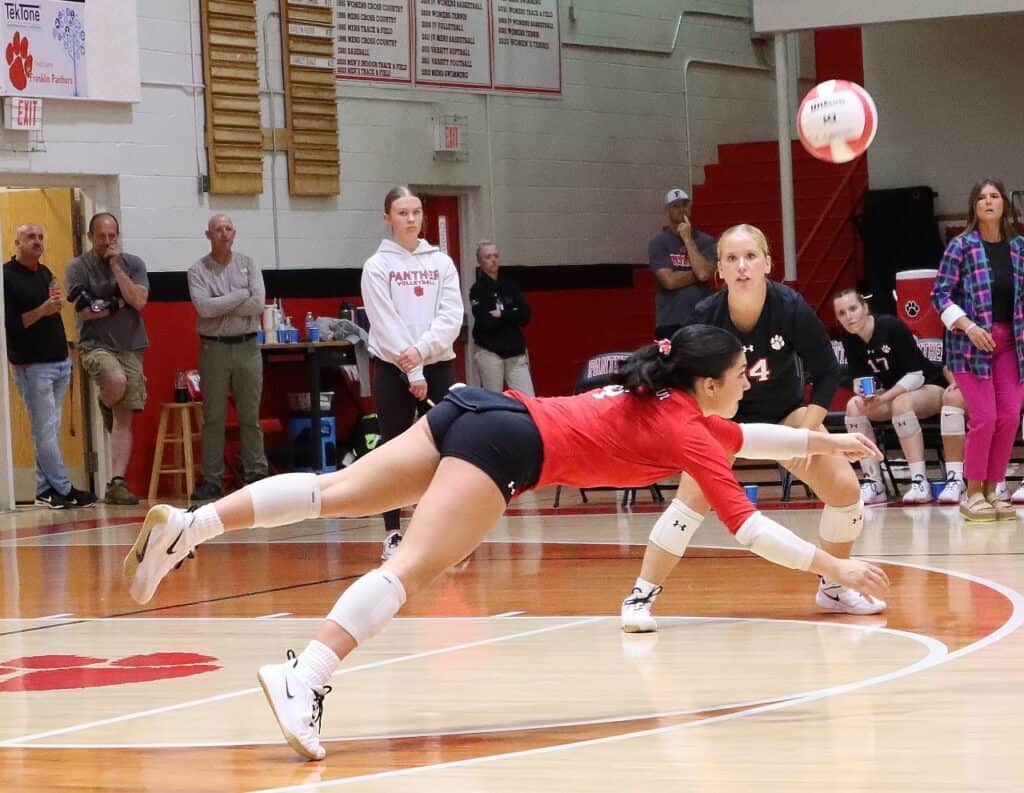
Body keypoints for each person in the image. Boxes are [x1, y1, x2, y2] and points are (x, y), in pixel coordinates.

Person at [123, 324, 889, 761]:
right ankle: (306, 674)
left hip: (477, 408)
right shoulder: (685, 426)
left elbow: (741, 435)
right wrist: (833, 563)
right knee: (415, 564)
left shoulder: (665, 397)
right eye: (738, 375)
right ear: (708, 382)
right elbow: (749, 527)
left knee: (335, 489)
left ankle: (196, 525)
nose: (748, 382)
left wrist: (825, 448)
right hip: (509, 448)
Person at [620, 224, 884, 633]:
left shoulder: (789, 307)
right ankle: (640, 596)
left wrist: (809, 432)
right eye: (730, 259)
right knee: (691, 501)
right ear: (719, 272)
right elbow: (684, 384)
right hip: (721, 420)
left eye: (750, 257)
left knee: (846, 488)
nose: (741, 266)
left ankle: (833, 587)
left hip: (783, 413)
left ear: (767, 263)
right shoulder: (706, 318)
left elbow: (828, 370)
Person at [360, 186, 463, 560]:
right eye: (402, 213)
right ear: (388, 218)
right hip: (394, 371)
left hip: (437, 365)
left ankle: (438, 529)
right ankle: (392, 533)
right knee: (394, 450)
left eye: (416, 212)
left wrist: (421, 353)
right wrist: (412, 370)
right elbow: (385, 324)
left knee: (445, 447)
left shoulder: (441, 262)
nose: (411, 220)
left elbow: (451, 318)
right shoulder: (377, 266)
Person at [931, 177, 1024, 521]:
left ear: (1004, 205)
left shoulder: (1019, 248)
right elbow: (939, 295)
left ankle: (992, 489)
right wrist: (968, 326)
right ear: (974, 206)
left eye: (995, 196)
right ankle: (972, 493)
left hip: (1011, 344)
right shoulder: (961, 246)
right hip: (970, 346)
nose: (988, 202)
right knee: (984, 417)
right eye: (982, 197)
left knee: (1010, 416)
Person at [3, 223, 96, 509]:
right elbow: (11, 325)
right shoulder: (6, 277)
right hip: (32, 365)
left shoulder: (45, 273)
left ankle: (45, 489)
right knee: (44, 429)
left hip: (59, 361)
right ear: (17, 241)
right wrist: (43, 310)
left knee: (50, 429)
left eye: (41, 237)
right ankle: (64, 488)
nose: (38, 241)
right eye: (31, 237)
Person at [833, 288, 947, 504]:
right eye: (841, 313)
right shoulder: (848, 337)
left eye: (853, 308)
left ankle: (919, 482)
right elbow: (859, 376)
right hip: (890, 395)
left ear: (865, 308)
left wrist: (884, 398)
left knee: (901, 404)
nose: (849, 316)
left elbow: (916, 375)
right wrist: (863, 391)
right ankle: (873, 483)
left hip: (928, 387)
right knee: (854, 406)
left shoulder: (890, 326)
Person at [65, 212, 149, 505]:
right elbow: (87, 310)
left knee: (124, 417)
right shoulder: (78, 267)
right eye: (101, 236)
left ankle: (117, 482)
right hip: (94, 344)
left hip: (131, 345)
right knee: (115, 380)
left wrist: (116, 267)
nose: (107, 241)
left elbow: (138, 301)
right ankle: (105, 400)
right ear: (91, 237)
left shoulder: (133, 264)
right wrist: (118, 303)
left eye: (112, 236)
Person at [187, 214, 269, 501]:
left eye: (228, 229)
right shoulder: (198, 270)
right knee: (214, 416)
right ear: (208, 235)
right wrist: (240, 295)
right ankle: (211, 479)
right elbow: (205, 309)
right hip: (214, 348)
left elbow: (258, 303)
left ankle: (256, 473)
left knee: (250, 414)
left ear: (234, 233)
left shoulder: (248, 263)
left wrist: (225, 302)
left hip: (248, 346)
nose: (223, 234)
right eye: (217, 230)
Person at [649, 187, 717, 338]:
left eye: (685, 205)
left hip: (702, 318)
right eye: (675, 206)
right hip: (670, 320)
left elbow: (704, 274)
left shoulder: (706, 241)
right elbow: (669, 281)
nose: (681, 210)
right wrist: (698, 274)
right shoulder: (658, 242)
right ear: (667, 210)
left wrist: (688, 239)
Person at [469, 241, 535, 396]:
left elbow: (525, 315)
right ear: (480, 261)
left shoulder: (510, 286)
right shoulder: (477, 290)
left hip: (515, 353)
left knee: (528, 399)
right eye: (488, 257)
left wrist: (502, 314)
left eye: (496, 256)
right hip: (490, 353)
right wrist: (513, 314)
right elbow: (487, 322)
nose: (493, 260)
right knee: (494, 402)